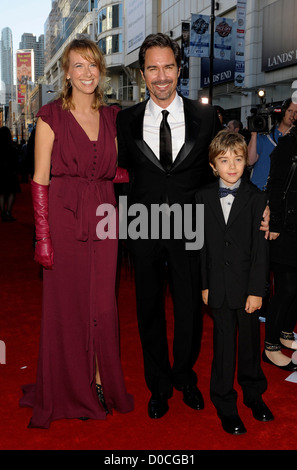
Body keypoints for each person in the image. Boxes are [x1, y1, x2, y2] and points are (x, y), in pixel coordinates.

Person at [117, 33, 269, 419]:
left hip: (191, 228)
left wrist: (257, 207)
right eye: (153, 67)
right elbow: (119, 176)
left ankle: (184, 377)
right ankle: (159, 385)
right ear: (142, 73)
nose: (161, 75)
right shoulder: (126, 120)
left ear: (180, 69)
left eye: (168, 66)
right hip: (143, 227)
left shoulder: (204, 116)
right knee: (148, 310)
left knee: (189, 309)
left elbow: (226, 164)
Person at [19, 38, 133, 428]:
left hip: (104, 214)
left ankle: (100, 381)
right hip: (65, 217)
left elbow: (112, 169)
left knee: (103, 305)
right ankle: (71, 386)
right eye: (78, 66)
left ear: (101, 71)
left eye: (93, 65)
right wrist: (43, 236)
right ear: (66, 72)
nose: (87, 73)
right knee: (68, 307)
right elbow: (39, 180)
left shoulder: (113, 116)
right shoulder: (50, 115)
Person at [196, 130, 273, 435]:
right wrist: (205, 284)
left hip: (247, 287)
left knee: (250, 347)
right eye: (224, 160)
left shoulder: (257, 198)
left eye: (238, 159)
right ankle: (225, 404)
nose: (232, 166)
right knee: (223, 348)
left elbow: (260, 250)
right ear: (213, 165)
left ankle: (254, 396)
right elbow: (200, 245)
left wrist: (257, 290)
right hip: (218, 286)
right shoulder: (201, 197)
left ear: (246, 162)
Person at [262, 119, 297, 371]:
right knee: (286, 289)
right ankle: (270, 346)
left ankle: (286, 332)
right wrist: (274, 222)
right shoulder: (289, 144)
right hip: (286, 229)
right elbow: (275, 184)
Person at [248, 98, 297, 190]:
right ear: (283, 111)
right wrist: (254, 135)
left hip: (281, 194)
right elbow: (249, 161)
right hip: (258, 191)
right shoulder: (265, 135)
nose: (292, 115)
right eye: (290, 111)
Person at [0, 126, 21, 222]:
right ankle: (9, 211)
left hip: (1, 172)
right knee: (12, 192)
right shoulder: (12, 146)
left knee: (2, 193)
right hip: (11, 172)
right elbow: (16, 160)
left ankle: (3, 212)